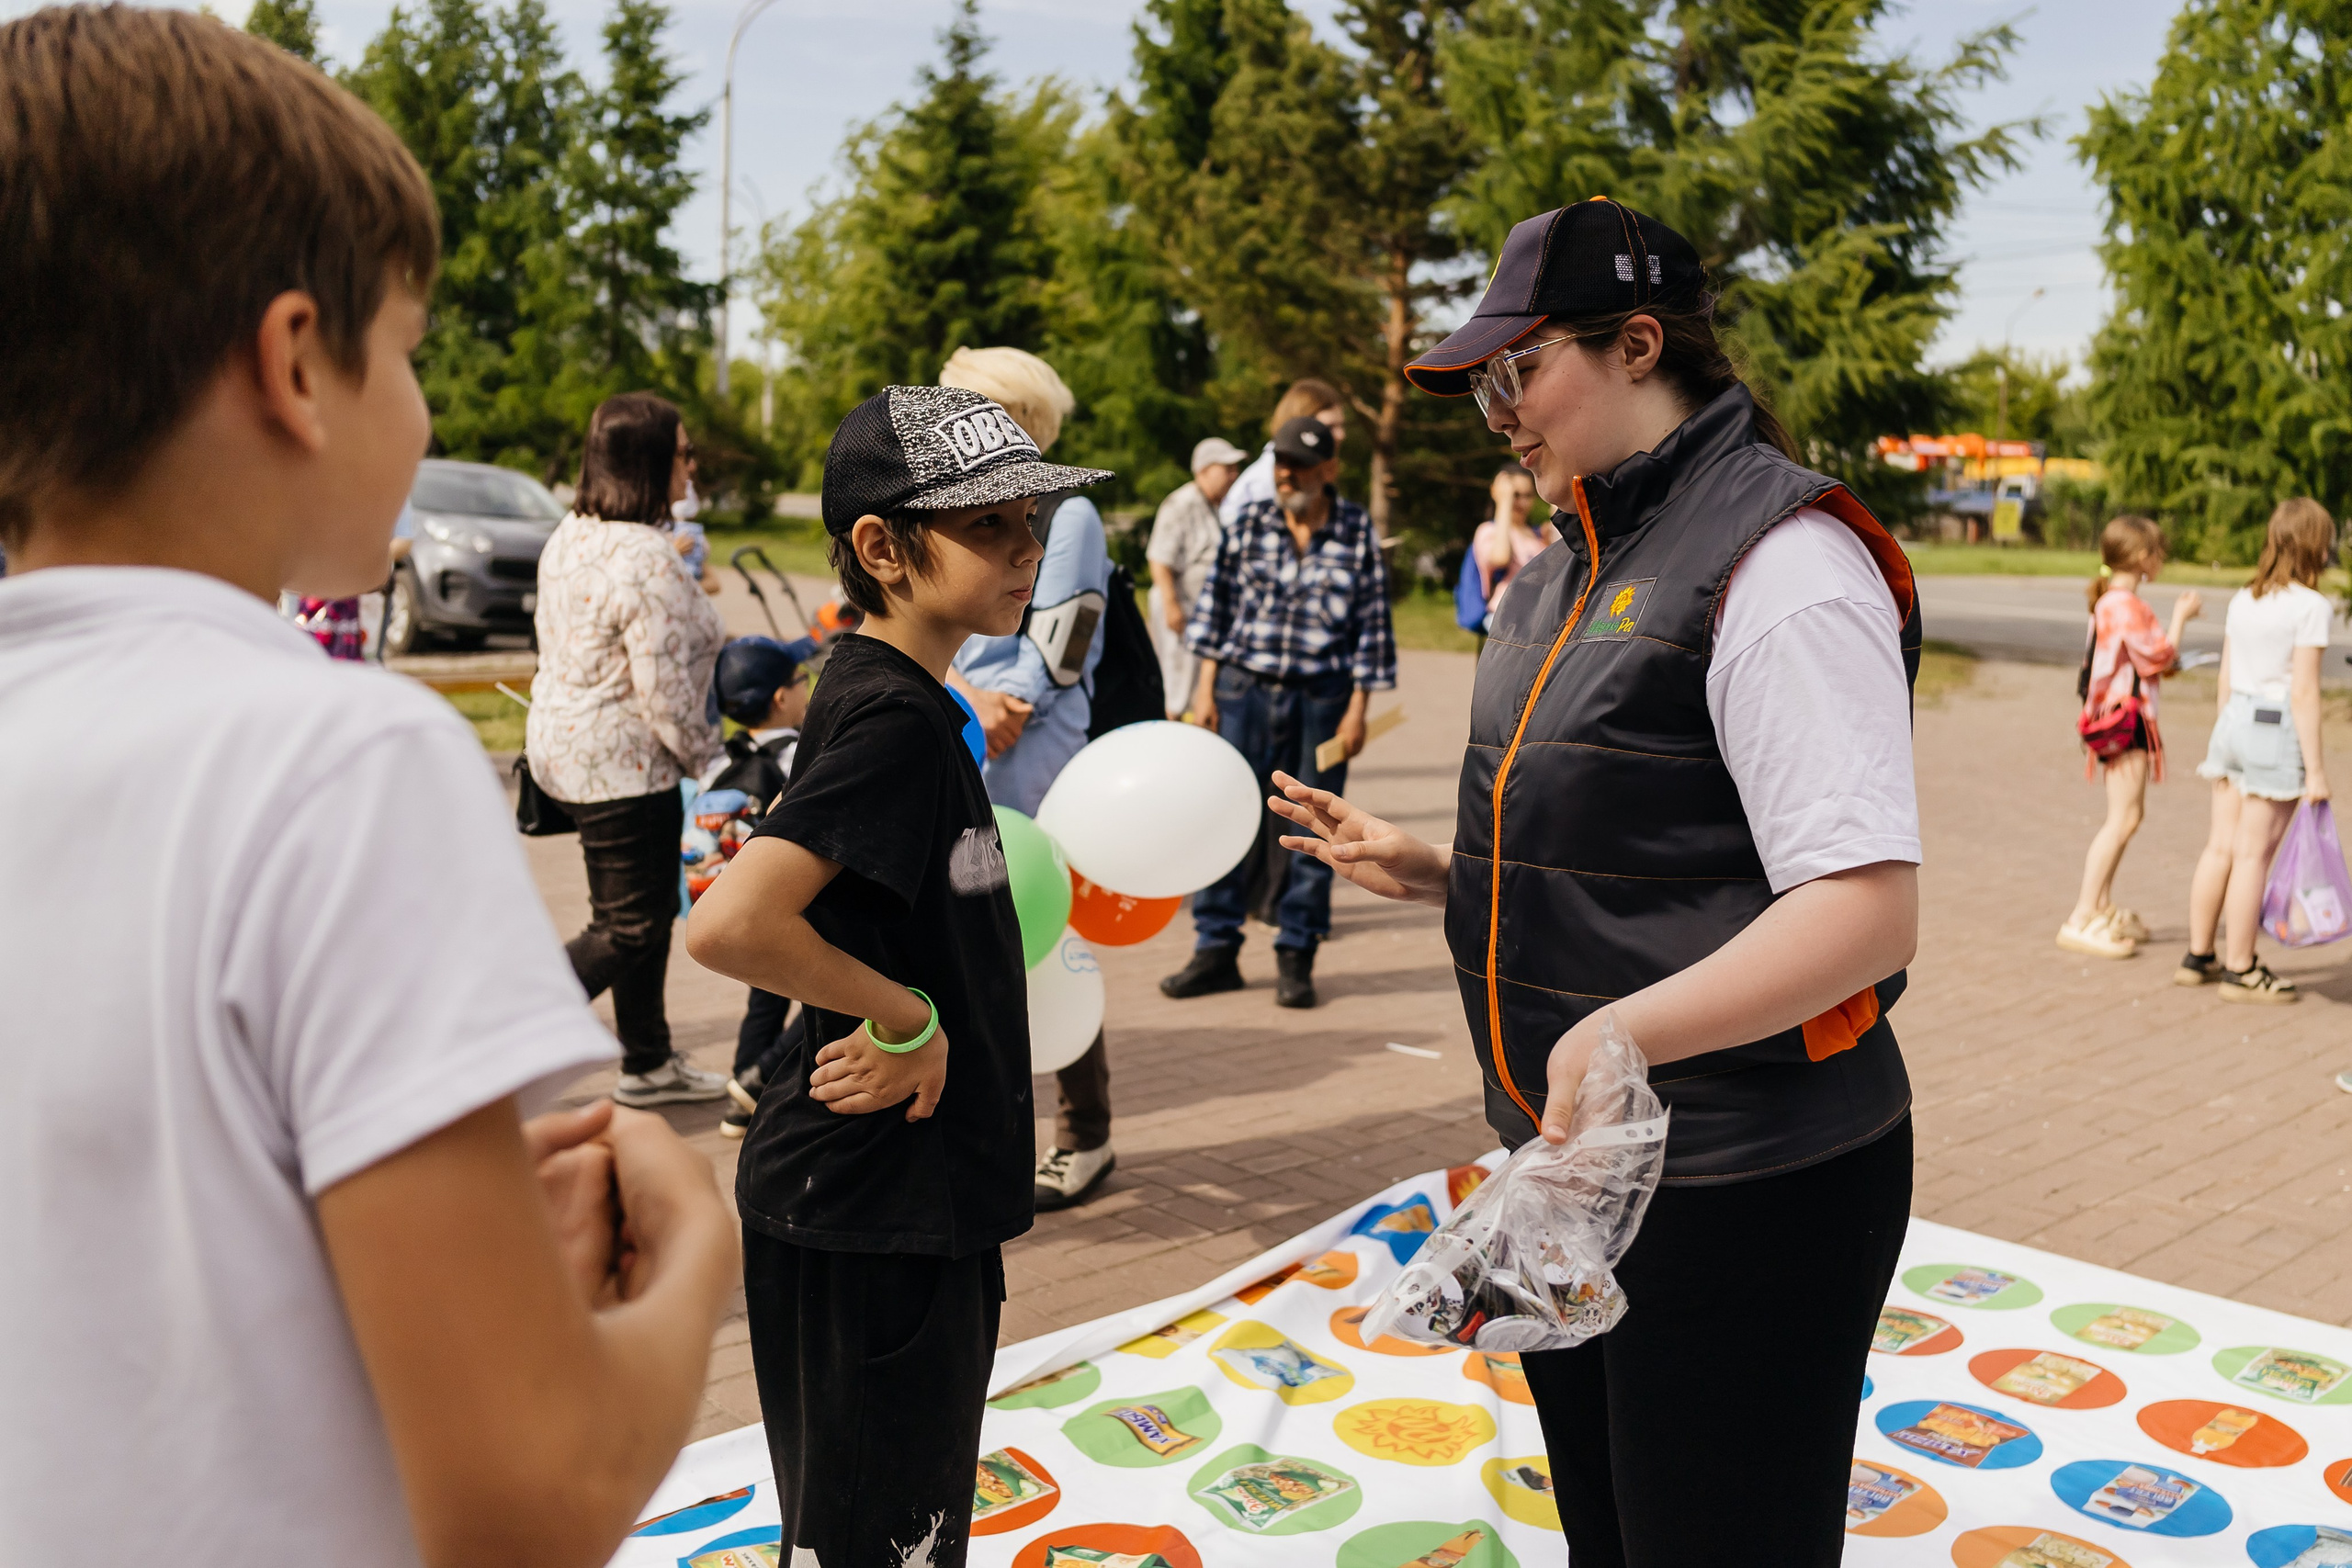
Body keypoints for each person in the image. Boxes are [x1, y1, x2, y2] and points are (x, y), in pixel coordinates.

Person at [0, 12, 737, 1565]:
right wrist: (693, 1240)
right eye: (404, 348)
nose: (427, 413)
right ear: (292, 366)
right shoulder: (343, 757)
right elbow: (530, 1503)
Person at [1269, 197, 1923, 1564]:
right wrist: (1447, 870)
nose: (1499, 410)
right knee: (1612, 1529)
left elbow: (1862, 909)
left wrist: (1620, 1028)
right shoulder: (1565, 560)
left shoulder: (1783, 561)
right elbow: (1650, 851)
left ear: (1637, 343)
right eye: (1483, 384)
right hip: (1577, 1173)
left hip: (1747, 1178)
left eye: (1520, 369)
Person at [685, 384, 1114, 1568]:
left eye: (1032, 519)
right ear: (881, 547)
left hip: (900, 1208)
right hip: (869, 1212)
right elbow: (728, 926)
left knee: (880, 1521)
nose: (1026, 546)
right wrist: (905, 1014)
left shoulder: (907, 699)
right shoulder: (890, 721)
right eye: (988, 526)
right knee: (877, 1537)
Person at [933, 347, 1126, 1211]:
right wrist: (962, 696)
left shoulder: (1069, 512)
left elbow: (1063, 646)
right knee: (976, 943)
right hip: (971, 750)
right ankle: (993, 1131)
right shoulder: (953, 503)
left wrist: (988, 702)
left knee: (1041, 941)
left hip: (1029, 768)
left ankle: (1084, 1133)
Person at [529, 393, 730, 1106]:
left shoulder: (573, 531)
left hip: (567, 748)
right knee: (629, 922)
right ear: (650, 461)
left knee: (638, 911)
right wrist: (714, 761)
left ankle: (646, 1060)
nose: (693, 465)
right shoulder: (645, 555)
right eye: (684, 451)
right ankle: (504, 1029)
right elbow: (666, 693)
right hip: (623, 761)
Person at [1163, 413, 1396, 1010]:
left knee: (1314, 824)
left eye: (1298, 466)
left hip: (1322, 700)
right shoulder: (1248, 521)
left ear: (1328, 471)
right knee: (1226, 816)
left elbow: (1372, 626)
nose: (1286, 474)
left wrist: (1358, 711)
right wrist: (1205, 691)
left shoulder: (1355, 530)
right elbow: (1215, 610)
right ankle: (1215, 947)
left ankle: (1297, 951)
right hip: (1243, 690)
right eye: (1281, 463)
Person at [2180, 498, 2335, 1000]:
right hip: (2275, 728)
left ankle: (2199, 954)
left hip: (2234, 722)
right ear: (2316, 544)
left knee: (2220, 846)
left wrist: (2226, 730)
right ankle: (2242, 967)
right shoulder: (2311, 607)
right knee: (2252, 855)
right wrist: (2315, 771)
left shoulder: (2244, 598)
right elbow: (2304, 693)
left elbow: (2226, 674)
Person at [2058, 515, 2201, 960]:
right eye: (2159, 553)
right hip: (2125, 721)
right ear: (2143, 558)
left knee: (2128, 816)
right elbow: (2158, 656)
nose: (2162, 561)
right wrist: (2181, 617)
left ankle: (2100, 905)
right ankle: (2082, 915)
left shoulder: (2109, 601)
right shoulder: (2124, 604)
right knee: (2122, 819)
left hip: (2115, 717)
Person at [703, 634, 817, 1137]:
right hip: (797, 901)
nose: (807, 686)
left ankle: (741, 1094)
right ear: (780, 698)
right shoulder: (798, 754)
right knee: (823, 993)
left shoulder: (723, 762)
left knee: (764, 998)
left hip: (738, 902)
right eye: (801, 679)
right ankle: (762, 1079)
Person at [1147, 435, 1248, 719]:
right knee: (1177, 684)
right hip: (1180, 607)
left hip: (1201, 613)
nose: (1233, 475)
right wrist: (1172, 605)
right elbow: (1159, 558)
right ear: (1203, 470)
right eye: (1226, 468)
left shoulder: (1215, 507)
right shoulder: (1182, 503)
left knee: (1196, 686)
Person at [1220, 377, 1348, 525]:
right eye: (1330, 427)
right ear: (1300, 424)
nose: (1341, 435)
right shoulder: (1265, 482)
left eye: (1341, 426)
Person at [1468, 461, 1553, 626]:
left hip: (1540, 613)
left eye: (1527, 495)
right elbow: (1500, 558)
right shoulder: (1488, 530)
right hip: (1505, 615)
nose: (1521, 502)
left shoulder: (1539, 535)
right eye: (1515, 495)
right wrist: (1504, 502)